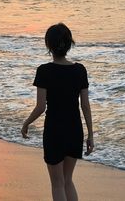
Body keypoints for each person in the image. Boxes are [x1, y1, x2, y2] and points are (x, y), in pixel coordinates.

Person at [21, 23, 94, 201]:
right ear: (70, 44)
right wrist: (90, 134)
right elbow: (85, 105)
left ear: (49, 45)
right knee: (68, 180)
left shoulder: (44, 71)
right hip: (74, 130)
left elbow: (40, 107)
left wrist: (26, 123)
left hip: (54, 131)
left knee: (57, 183)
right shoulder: (80, 70)